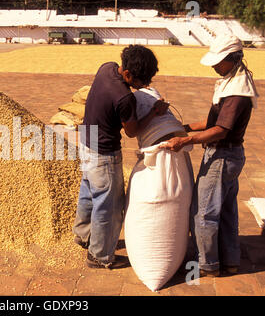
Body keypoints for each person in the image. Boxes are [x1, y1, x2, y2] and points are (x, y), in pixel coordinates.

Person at [161, 34, 259, 277]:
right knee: (225, 209)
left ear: (233, 58)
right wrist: (186, 127)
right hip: (231, 155)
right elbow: (214, 121)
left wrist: (186, 140)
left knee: (203, 211)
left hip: (222, 156)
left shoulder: (237, 92)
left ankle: (207, 264)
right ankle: (230, 259)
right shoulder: (235, 80)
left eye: (219, 61)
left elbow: (221, 129)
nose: (215, 66)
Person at [73, 45, 169, 269]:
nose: (145, 85)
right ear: (127, 75)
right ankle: (99, 255)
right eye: (141, 81)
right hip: (104, 154)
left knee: (88, 191)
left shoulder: (106, 68)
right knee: (109, 206)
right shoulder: (124, 97)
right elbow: (132, 131)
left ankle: (83, 235)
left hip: (87, 143)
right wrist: (154, 111)